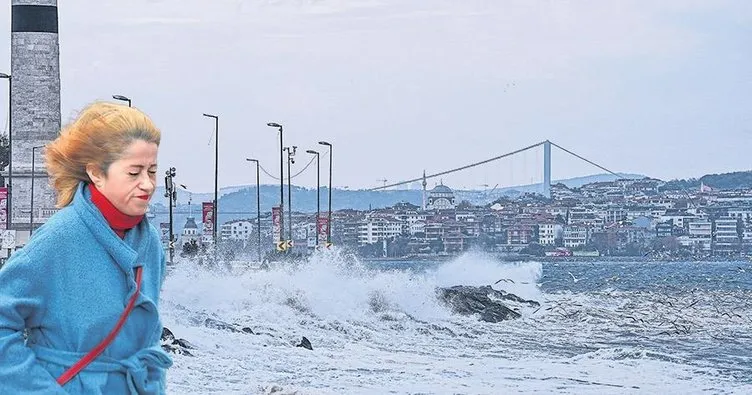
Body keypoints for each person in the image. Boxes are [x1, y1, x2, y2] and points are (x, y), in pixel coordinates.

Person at [0, 102, 173, 394]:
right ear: (96, 173)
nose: (148, 184)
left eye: (152, 171)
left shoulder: (151, 242)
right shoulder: (59, 238)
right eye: (134, 173)